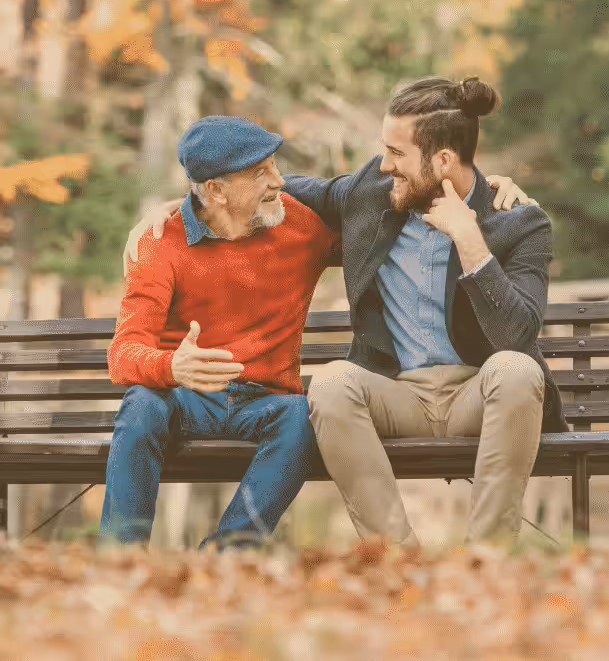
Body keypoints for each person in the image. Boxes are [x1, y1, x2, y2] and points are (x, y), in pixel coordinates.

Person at [125, 75, 556, 546]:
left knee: (517, 370)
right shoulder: (371, 193)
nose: (384, 165)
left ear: (443, 161)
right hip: (398, 394)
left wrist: (471, 241)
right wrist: (187, 204)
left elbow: (518, 337)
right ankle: (395, 557)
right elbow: (269, 190)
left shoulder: (519, 222)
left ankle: (487, 556)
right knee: (331, 383)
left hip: (481, 393)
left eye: (396, 153)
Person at [102, 115, 338, 548]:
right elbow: (124, 354)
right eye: (261, 172)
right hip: (185, 398)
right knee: (141, 405)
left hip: (268, 401)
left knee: (302, 417)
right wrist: (172, 367)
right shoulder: (160, 241)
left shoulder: (302, 225)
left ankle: (228, 553)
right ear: (216, 190)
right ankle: (122, 556)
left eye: (274, 165)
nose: (279, 180)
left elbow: (374, 220)